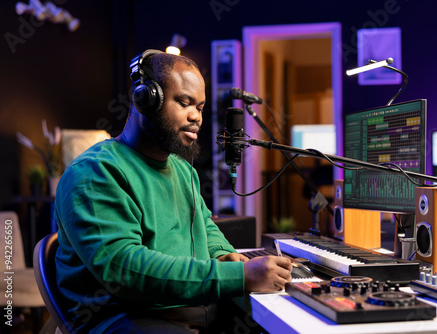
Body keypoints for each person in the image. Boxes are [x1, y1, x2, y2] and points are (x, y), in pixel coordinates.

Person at [54, 50, 292, 333]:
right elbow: (123, 269)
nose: (196, 117)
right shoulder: (95, 173)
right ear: (145, 99)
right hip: (123, 317)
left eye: (200, 107)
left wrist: (223, 254)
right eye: (184, 102)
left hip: (191, 307)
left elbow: (204, 226)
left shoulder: (183, 170)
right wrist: (238, 276)